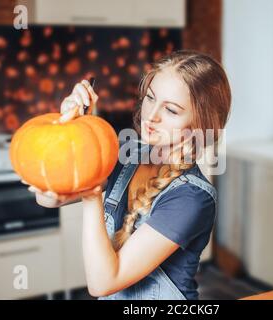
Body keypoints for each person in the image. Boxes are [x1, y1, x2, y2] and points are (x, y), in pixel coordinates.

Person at [24, 50, 231, 300]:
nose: (151, 116)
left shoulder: (191, 198)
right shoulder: (125, 154)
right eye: (150, 98)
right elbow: (49, 199)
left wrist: (93, 197)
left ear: (200, 124)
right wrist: (71, 128)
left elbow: (102, 283)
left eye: (171, 110)